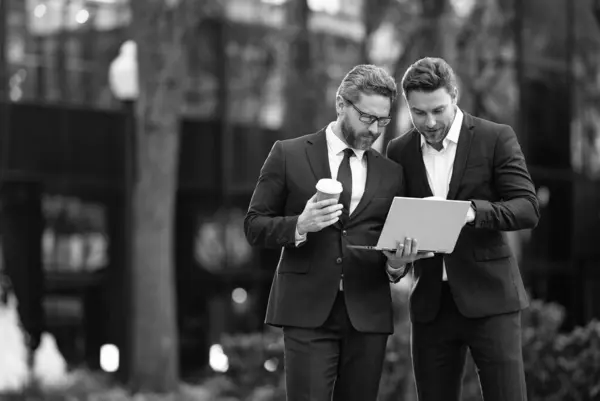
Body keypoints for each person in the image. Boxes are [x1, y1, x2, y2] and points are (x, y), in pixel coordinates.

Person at [244, 64, 431, 401]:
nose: (374, 128)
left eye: (382, 120)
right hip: (307, 310)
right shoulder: (288, 154)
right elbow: (254, 226)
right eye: (366, 117)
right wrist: (300, 224)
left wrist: (397, 264)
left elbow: (393, 247)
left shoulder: (392, 173)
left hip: (368, 313)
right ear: (341, 104)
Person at [386, 57, 540, 401]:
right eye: (419, 112)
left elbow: (527, 208)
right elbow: (394, 220)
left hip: (491, 299)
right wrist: (397, 262)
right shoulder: (398, 151)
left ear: (454, 96)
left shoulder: (495, 137)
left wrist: (470, 212)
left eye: (438, 110)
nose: (429, 122)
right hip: (430, 306)